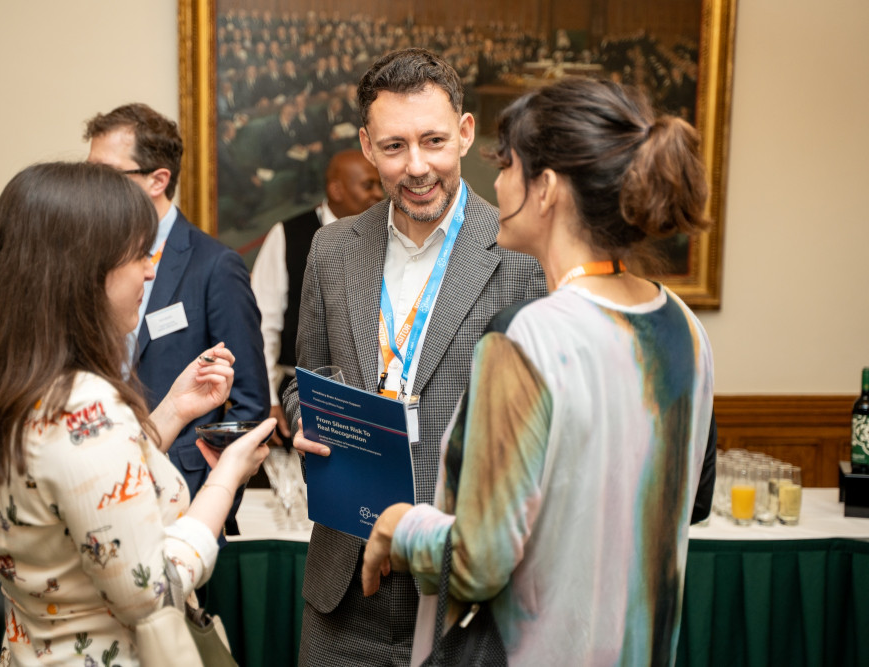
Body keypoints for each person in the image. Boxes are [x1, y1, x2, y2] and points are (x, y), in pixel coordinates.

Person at [362, 78, 716, 665]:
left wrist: (398, 527)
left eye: (505, 166)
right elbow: (693, 500)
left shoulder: (528, 335)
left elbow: (477, 562)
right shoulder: (684, 327)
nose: (495, 184)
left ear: (545, 187)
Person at [283, 48, 546, 666]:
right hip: (343, 588)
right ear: (367, 146)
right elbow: (304, 381)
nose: (417, 167)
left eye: (433, 141)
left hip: (465, 594)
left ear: (464, 133)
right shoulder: (331, 248)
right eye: (395, 146)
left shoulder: (521, 258)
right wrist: (306, 422)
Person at [0, 161, 275, 666]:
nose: (151, 271)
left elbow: (84, 486)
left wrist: (173, 408)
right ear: (84, 272)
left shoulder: (6, 388)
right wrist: (229, 476)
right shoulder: (82, 404)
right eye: (137, 255)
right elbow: (154, 588)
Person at [85, 104, 269, 520]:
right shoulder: (91, 258)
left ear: (157, 180)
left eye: (105, 173)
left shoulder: (215, 265)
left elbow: (248, 403)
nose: (89, 186)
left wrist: (212, 496)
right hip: (101, 483)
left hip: (186, 491)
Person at [251, 149, 384, 447]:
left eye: (378, 185)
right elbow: (264, 325)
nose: (378, 193)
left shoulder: (386, 235)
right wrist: (269, 399)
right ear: (336, 189)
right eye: (368, 185)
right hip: (302, 402)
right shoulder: (288, 235)